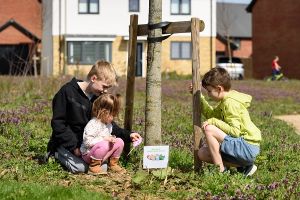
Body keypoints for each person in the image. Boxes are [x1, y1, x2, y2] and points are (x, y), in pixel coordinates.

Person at [46, 60, 141, 173]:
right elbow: (58, 124)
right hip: (68, 142)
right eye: (104, 86)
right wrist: (74, 147)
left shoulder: (98, 98)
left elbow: (107, 124)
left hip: (88, 144)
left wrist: (129, 135)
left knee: (103, 167)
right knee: (81, 168)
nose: (105, 91)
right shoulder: (67, 92)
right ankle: (55, 153)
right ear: (94, 78)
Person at [196, 67, 261, 176]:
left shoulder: (230, 103)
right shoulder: (225, 101)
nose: (208, 94)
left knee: (209, 129)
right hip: (242, 147)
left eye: (209, 91)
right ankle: (244, 166)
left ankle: (221, 171)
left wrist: (214, 122)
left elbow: (235, 131)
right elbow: (211, 115)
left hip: (247, 147)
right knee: (202, 153)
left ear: (219, 88)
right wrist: (199, 98)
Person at [81, 93, 126, 175]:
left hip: (101, 153)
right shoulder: (93, 124)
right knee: (104, 144)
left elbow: (106, 136)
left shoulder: (108, 124)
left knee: (119, 141)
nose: (113, 118)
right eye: (111, 115)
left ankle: (113, 164)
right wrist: (105, 139)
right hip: (89, 154)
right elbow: (87, 142)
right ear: (102, 112)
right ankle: (93, 167)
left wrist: (111, 138)